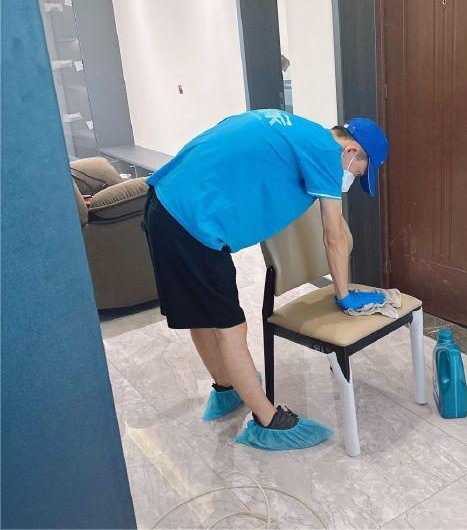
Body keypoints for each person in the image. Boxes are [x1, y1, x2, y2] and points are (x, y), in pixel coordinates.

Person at [141, 109, 389, 450]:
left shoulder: (303, 132)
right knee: (231, 328)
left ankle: (227, 388)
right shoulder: (327, 155)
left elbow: (230, 136)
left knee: (201, 315)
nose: (351, 180)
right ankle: (268, 422)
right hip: (193, 225)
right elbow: (333, 236)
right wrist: (344, 295)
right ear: (350, 151)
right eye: (358, 172)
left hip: (165, 203)